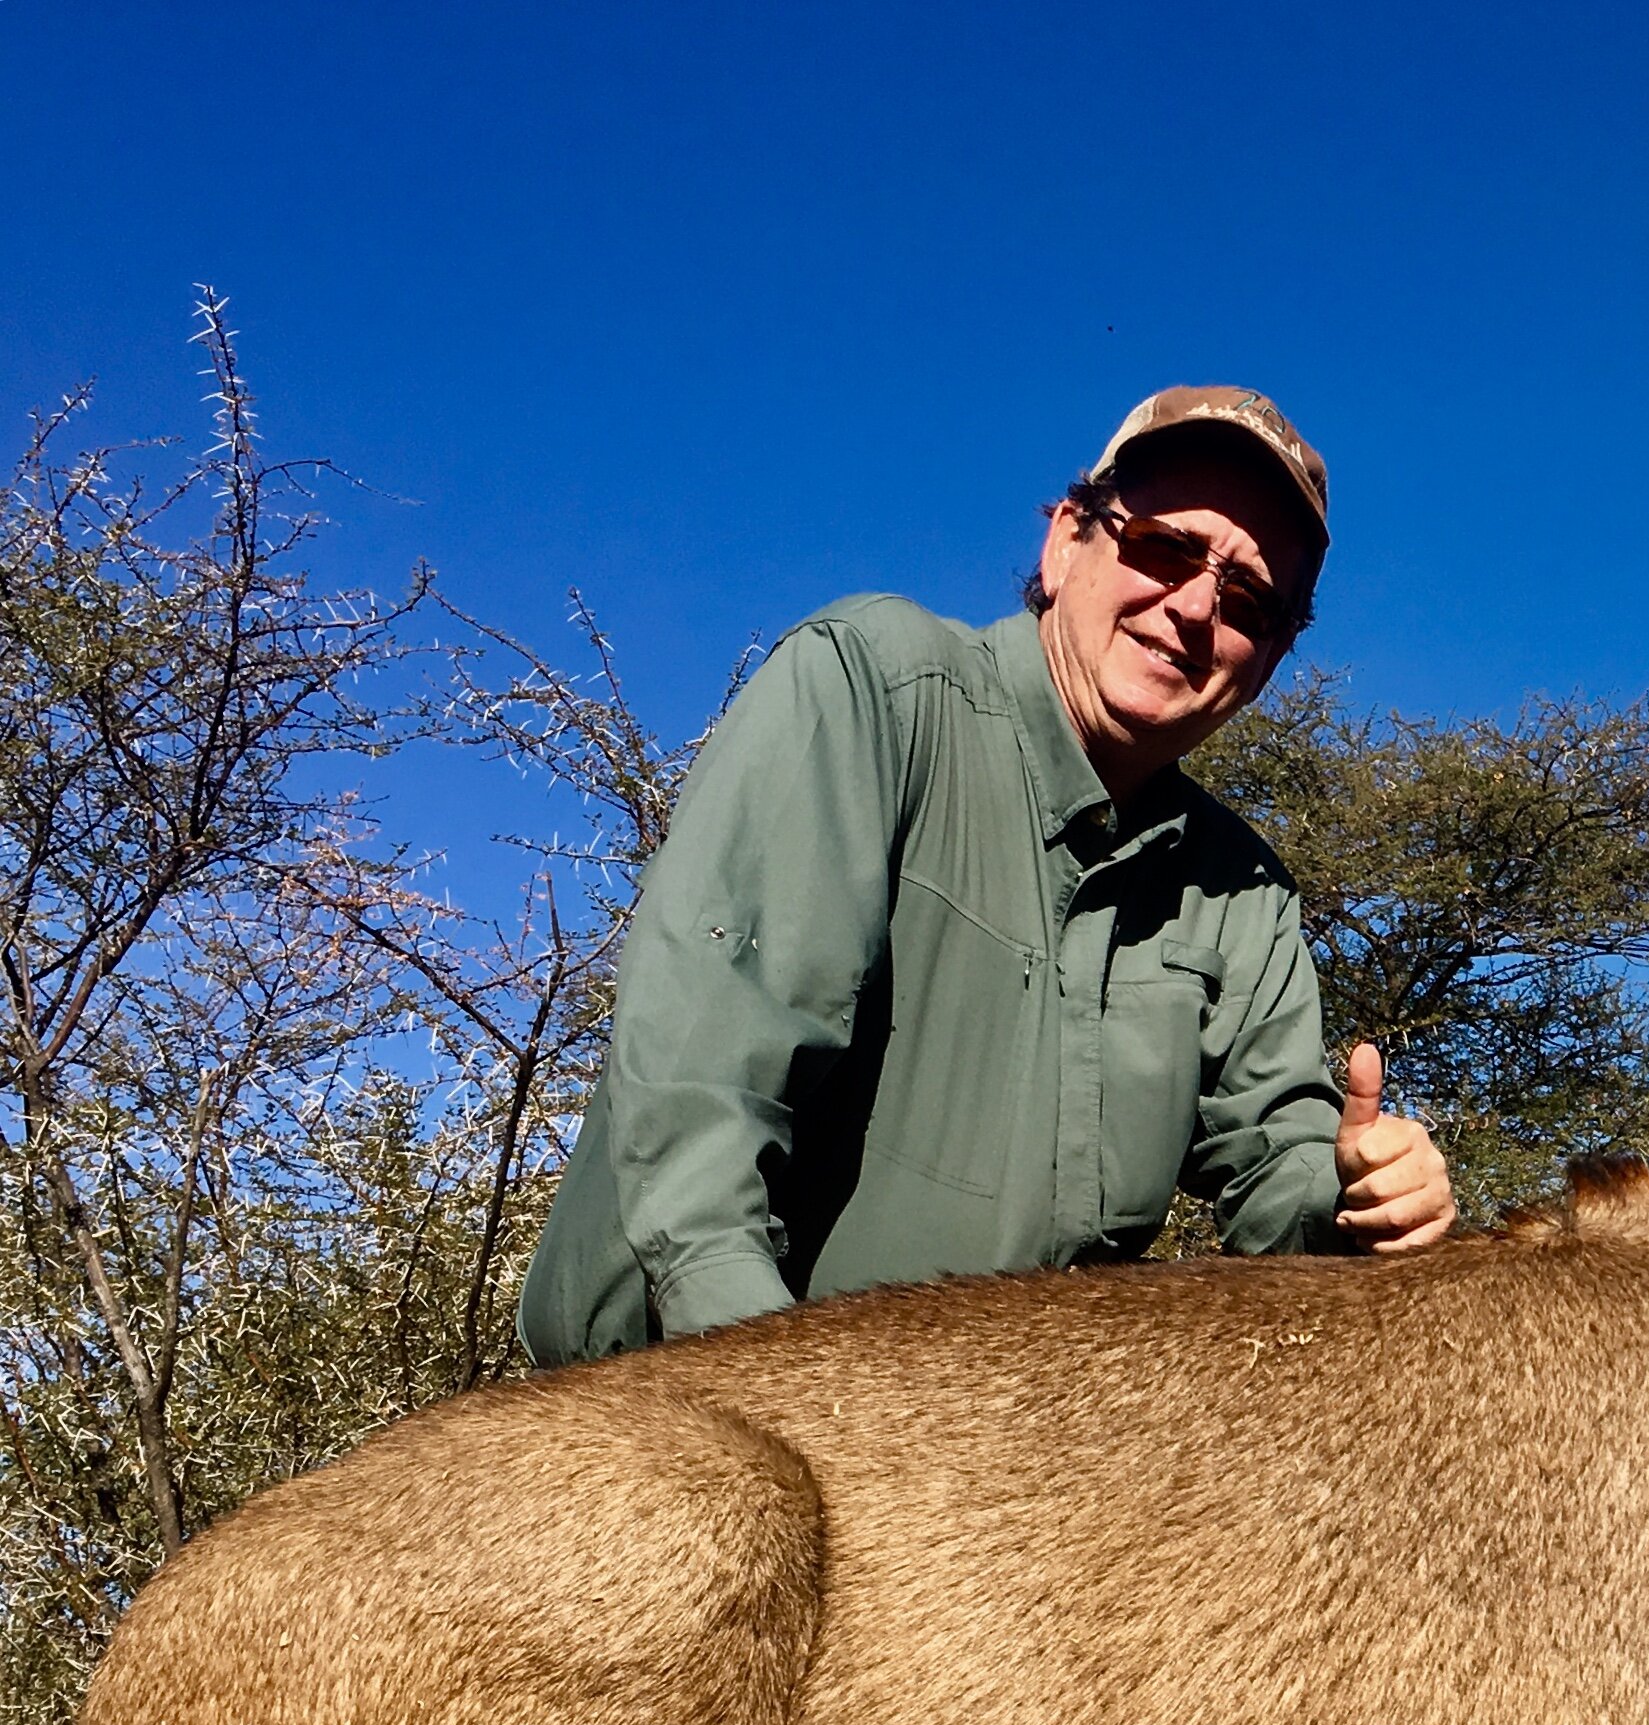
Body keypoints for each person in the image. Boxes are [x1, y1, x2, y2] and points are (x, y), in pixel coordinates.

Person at [518, 384, 1453, 1368]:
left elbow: (1283, 1176)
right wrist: (785, 1405)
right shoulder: (871, 690)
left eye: (1250, 601)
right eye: (1164, 547)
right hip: (665, 1418)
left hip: (978, 1472)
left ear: (1264, 664)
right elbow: (700, 1111)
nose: (1193, 608)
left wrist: (1361, 1201)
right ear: (1065, 543)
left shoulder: (1245, 894)